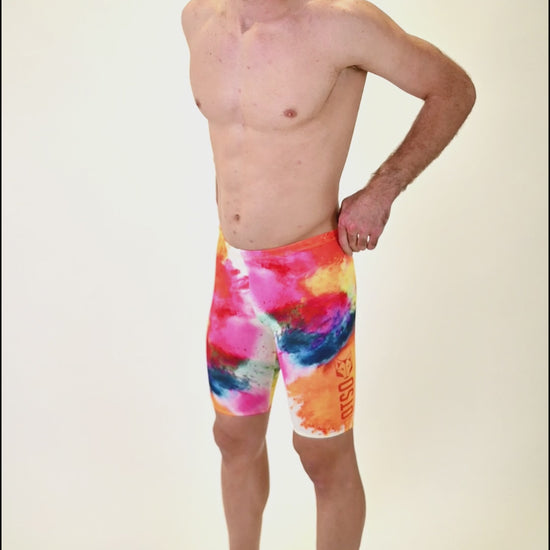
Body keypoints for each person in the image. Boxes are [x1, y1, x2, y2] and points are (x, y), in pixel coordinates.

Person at [181, 0, 475, 548]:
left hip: (311, 284)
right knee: (232, 437)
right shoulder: (198, 18)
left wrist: (382, 190)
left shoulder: (343, 23)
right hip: (234, 275)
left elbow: (453, 89)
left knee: (322, 455)